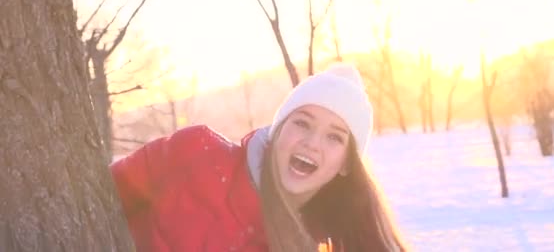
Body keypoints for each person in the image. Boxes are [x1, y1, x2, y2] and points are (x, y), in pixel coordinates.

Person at [111, 63, 407, 251]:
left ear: (345, 163)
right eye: (302, 123)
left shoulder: (309, 243)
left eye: (334, 137)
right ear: (278, 130)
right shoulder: (194, 153)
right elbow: (94, 197)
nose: (312, 143)